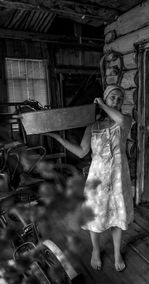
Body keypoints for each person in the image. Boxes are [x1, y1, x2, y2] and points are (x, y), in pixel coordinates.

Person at [46, 85, 134, 272]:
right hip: (98, 176)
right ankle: (95, 250)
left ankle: (117, 252)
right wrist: (58, 138)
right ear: (105, 98)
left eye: (119, 99)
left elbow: (120, 119)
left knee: (117, 215)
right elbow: (81, 152)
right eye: (112, 98)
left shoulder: (125, 121)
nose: (116, 101)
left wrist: (102, 105)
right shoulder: (92, 126)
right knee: (96, 215)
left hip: (118, 177)